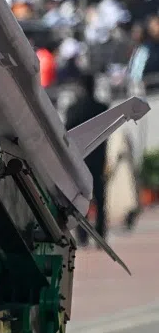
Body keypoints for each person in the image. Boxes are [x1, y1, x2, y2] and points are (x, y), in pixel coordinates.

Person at [64, 74, 110, 246]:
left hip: (80, 160)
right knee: (100, 198)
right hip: (98, 160)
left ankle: (82, 236)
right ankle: (100, 234)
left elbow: (67, 134)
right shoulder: (102, 108)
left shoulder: (73, 109)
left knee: (81, 199)